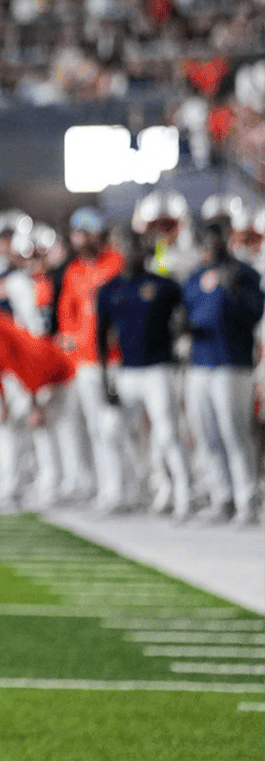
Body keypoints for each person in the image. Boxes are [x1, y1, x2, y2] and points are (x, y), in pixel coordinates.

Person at [0, 290, 78, 513]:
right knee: (13, 431)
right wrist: (2, 402)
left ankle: (41, 489)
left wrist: (34, 403)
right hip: (28, 379)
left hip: (49, 374)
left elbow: (23, 363)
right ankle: (16, 489)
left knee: (41, 432)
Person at [97, 229, 193, 519]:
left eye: (140, 247)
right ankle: (127, 490)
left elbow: (186, 319)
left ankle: (182, 495)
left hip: (158, 370)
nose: (135, 252)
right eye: (130, 247)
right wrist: (105, 380)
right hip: (127, 371)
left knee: (166, 434)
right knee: (110, 431)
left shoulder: (164, 285)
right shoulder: (109, 289)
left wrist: (180, 342)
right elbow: (101, 337)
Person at [181, 216, 263, 524]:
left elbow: (254, 315)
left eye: (215, 238)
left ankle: (247, 500)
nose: (209, 245)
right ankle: (222, 497)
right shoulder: (194, 277)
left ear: (226, 239)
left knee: (235, 432)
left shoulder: (245, 274)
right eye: (205, 239)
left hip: (232, 362)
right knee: (205, 433)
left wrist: (234, 293)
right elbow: (188, 314)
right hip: (200, 362)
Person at [57, 206, 130, 510]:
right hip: (86, 360)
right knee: (97, 428)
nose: (79, 239)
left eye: (85, 232)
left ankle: (132, 486)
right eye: (76, 233)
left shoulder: (117, 262)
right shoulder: (74, 270)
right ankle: (109, 488)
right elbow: (67, 312)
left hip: (116, 358)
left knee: (120, 427)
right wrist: (72, 336)